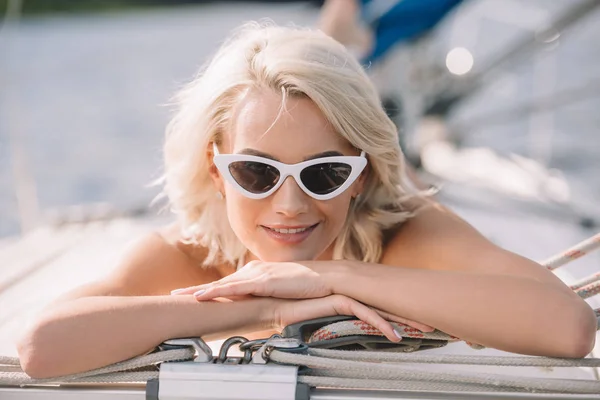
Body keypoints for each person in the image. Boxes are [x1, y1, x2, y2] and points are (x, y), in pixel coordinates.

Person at [16, 22, 596, 379]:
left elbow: (567, 327)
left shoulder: (406, 233)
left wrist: (334, 279)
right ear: (217, 175)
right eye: (254, 171)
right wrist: (264, 308)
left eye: (323, 173)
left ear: (362, 176)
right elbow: (43, 344)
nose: (289, 204)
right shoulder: (194, 256)